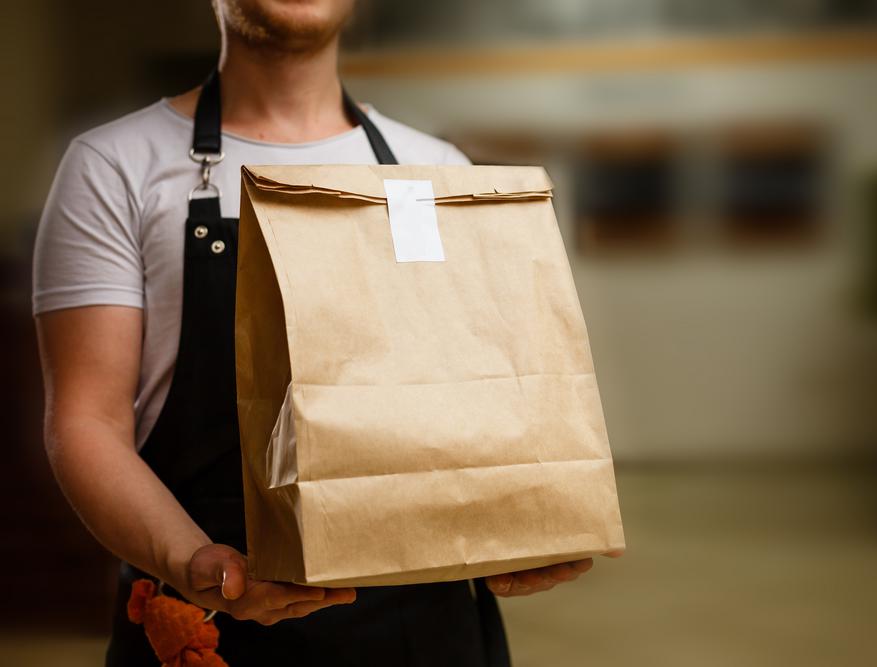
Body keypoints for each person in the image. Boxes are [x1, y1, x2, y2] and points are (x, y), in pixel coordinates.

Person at [31, 1, 611, 665]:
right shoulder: (113, 167)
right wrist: (194, 561)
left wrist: (527, 526)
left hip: (425, 633)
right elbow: (86, 422)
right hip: (207, 628)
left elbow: (482, 400)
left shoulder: (435, 170)